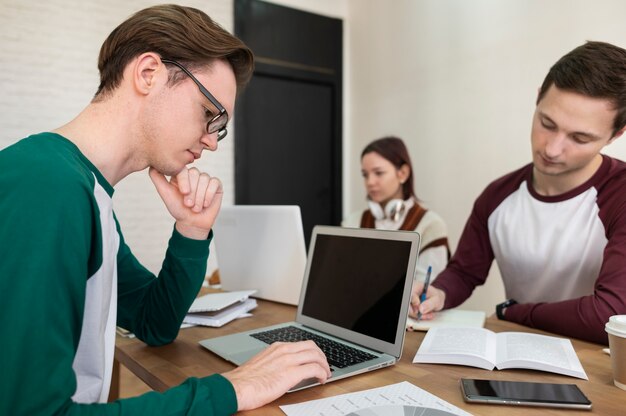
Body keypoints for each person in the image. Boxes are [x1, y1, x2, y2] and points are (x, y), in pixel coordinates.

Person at [0, 5, 330, 415]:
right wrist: (231, 389)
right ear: (148, 74)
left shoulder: (85, 191)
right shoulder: (47, 187)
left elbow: (154, 323)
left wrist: (191, 230)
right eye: (209, 114)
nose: (212, 142)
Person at [413, 41, 626, 345]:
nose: (551, 149)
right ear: (538, 97)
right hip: (520, 350)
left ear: (616, 134)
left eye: (579, 138)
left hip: (597, 366)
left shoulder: (620, 196)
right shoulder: (497, 196)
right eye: (546, 123)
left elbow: (611, 314)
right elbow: (464, 272)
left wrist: (515, 313)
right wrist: (438, 292)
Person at [342, 136, 450, 283]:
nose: (370, 182)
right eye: (365, 175)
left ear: (403, 173)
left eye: (378, 173)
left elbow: (427, 287)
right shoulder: (352, 222)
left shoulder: (431, 225)